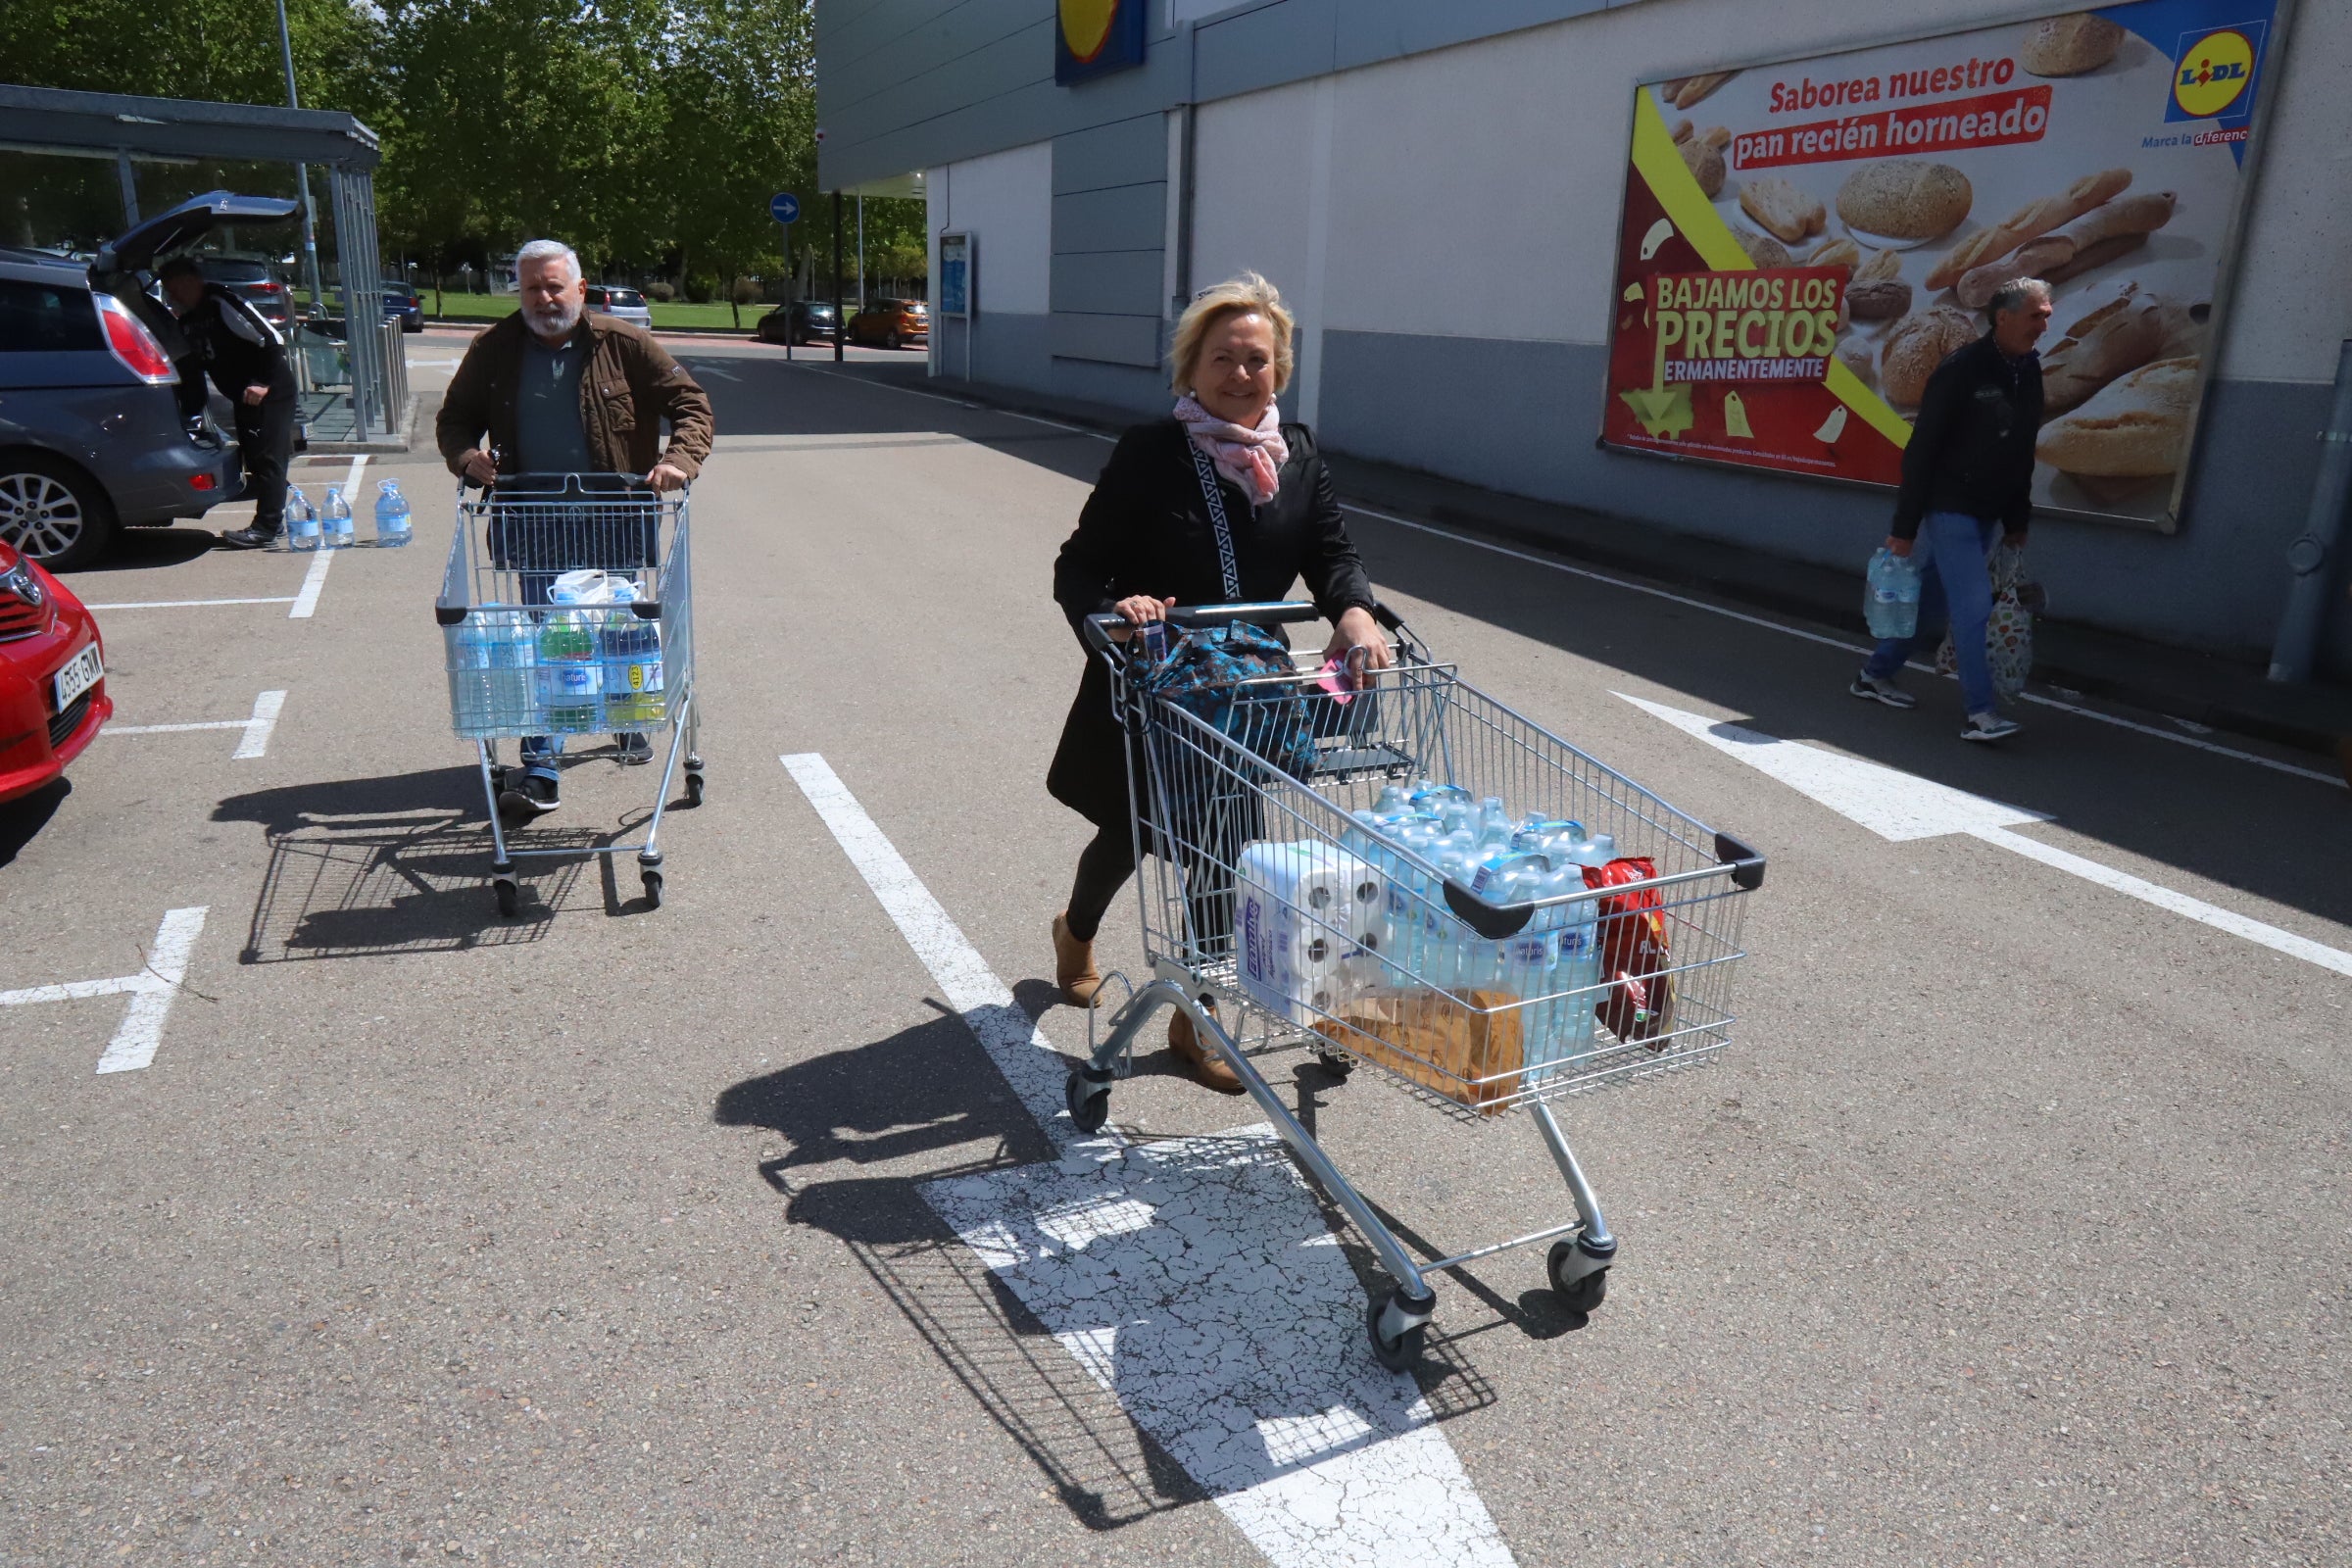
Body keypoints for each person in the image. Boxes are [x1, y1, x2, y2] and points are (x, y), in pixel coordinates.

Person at [1048, 271, 1391, 1094]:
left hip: (1244, 698)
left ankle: (1192, 1018)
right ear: (1189, 367)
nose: (1242, 374)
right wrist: (1117, 610)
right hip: (1154, 690)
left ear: (1281, 368)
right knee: (1129, 835)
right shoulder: (1150, 453)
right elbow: (1079, 567)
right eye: (1223, 358)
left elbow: (1333, 556)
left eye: (1258, 360)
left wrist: (1355, 611)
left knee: (1223, 848)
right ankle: (1077, 929)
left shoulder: (1297, 455)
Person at [437, 239, 714, 826]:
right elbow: (455, 417)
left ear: (580, 289)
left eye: (554, 286)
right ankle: (541, 770)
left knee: (613, 635)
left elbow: (690, 404)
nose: (543, 298)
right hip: (531, 518)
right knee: (550, 643)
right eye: (532, 287)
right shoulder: (495, 349)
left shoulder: (623, 343)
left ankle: (623, 716)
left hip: (611, 516)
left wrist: (677, 461)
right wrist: (467, 456)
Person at [1851, 275, 2052, 742]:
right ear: (2003, 318)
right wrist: (1904, 527)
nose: (2044, 324)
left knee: (1931, 600)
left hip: (1987, 511)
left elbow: (2023, 449)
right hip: (1949, 504)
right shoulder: (1961, 368)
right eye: (2036, 315)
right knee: (1974, 605)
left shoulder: (2028, 370)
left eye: (2047, 314)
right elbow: (1921, 450)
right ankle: (1981, 713)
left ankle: (1873, 675)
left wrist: (2017, 518)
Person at [159, 257, 297, 551]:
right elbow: (193, 366)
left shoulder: (222, 302)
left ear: (189, 281)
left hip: (269, 391)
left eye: (174, 290)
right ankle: (283, 515)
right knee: (256, 458)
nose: (172, 298)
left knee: (268, 459)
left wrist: (262, 381)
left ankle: (266, 527)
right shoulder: (189, 320)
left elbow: (270, 339)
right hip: (243, 396)